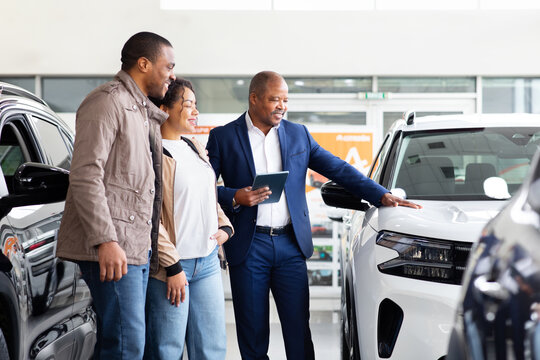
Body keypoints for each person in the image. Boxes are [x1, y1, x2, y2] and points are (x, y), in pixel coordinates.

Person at [206, 70, 421, 360]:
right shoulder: (223, 137)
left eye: (285, 99)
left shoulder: (299, 135)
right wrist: (234, 195)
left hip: (290, 246)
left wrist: (380, 194)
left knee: (298, 333)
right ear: (254, 98)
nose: (281, 105)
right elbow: (203, 187)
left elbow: (338, 168)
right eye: (274, 99)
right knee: (252, 335)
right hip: (248, 246)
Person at [56, 32, 176, 359]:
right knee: (126, 343)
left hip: (135, 246)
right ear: (144, 64)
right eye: (168, 66)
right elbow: (85, 174)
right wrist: (106, 240)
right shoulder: (107, 102)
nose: (172, 75)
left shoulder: (140, 110)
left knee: (120, 341)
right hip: (113, 247)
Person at [144, 79, 233, 360]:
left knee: (212, 349)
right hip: (172, 267)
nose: (195, 112)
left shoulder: (193, 145)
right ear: (164, 108)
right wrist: (172, 267)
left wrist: (224, 225)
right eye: (188, 105)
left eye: (196, 105)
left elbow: (206, 194)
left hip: (206, 262)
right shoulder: (151, 152)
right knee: (166, 350)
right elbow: (149, 215)